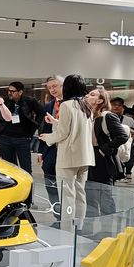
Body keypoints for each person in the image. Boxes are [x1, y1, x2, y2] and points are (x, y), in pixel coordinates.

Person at [39, 74, 94, 231]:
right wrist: (56, 122)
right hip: (85, 156)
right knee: (80, 193)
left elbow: (62, 134)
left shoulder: (66, 105)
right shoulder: (86, 105)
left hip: (68, 157)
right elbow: (77, 128)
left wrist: (47, 138)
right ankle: (78, 226)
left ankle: (67, 229)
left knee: (67, 195)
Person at [86, 87, 128, 218]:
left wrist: (103, 150)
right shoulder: (89, 116)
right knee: (90, 196)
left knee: (104, 196)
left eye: (92, 94)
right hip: (89, 157)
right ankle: (90, 226)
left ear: (100, 100)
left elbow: (122, 136)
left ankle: (109, 226)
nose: (87, 96)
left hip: (103, 159)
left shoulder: (107, 116)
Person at [0, 81, 43, 173]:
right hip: (6, 137)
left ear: (20, 92)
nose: (10, 93)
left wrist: (34, 125)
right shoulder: (5, 101)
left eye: (13, 91)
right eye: (9, 91)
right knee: (8, 168)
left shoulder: (29, 101)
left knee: (26, 168)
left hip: (22, 138)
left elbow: (41, 112)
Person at [38, 75, 64, 219]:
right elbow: (44, 129)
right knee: (50, 180)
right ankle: (57, 215)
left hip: (66, 148)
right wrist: (40, 152)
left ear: (62, 86)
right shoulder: (49, 106)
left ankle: (67, 215)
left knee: (65, 184)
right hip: (50, 147)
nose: (52, 90)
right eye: (49, 88)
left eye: (55, 86)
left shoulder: (72, 104)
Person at [110, 97, 134, 181]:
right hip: (110, 146)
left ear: (123, 107)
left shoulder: (129, 120)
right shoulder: (104, 117)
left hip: (124, 146)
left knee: (126, 160)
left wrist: (127, 130)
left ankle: (127, 172)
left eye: (119, 105)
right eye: (114, 105)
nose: (116, 107)